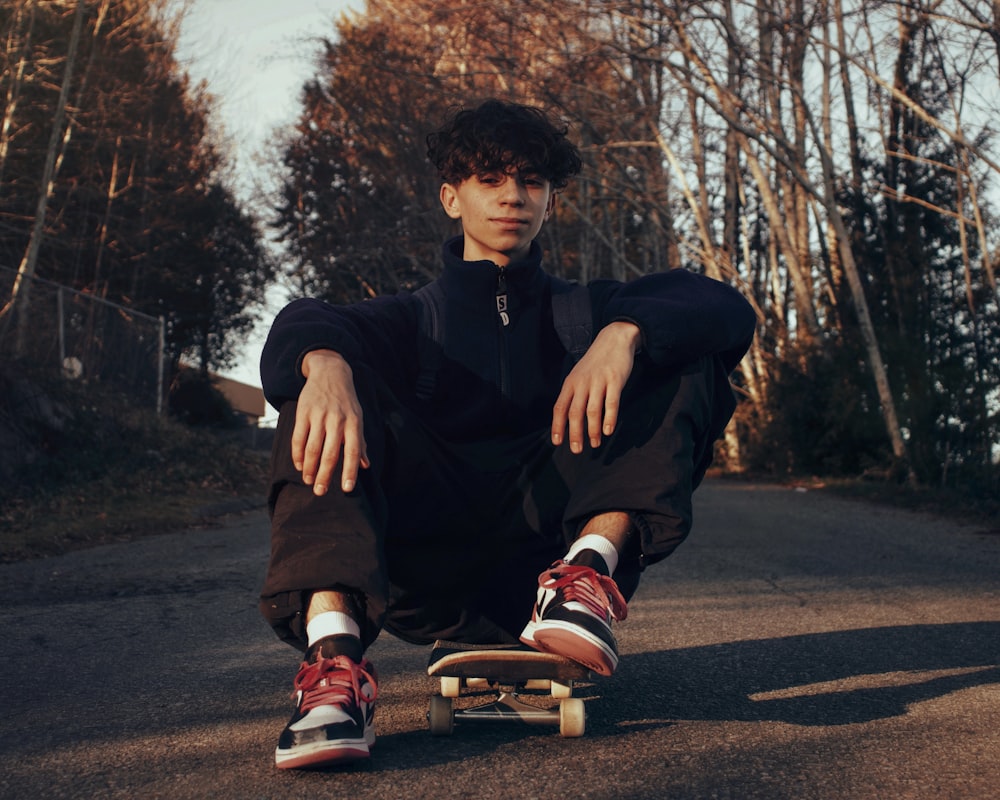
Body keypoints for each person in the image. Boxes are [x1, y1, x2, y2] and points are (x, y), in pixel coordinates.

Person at [258, 98, 756, 769]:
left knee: (682, 351)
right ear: (451, 198)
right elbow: (300, 321)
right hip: (433, 575)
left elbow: (722, 307)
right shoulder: (410, 321)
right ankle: (335, 675)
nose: (513, 198)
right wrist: (323, 364)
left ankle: (584, 579)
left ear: (550, 200)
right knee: (318, 394)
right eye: (490, 180)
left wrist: (623, 334)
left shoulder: (586, 312)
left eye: (532, 182)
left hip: (548, 565)